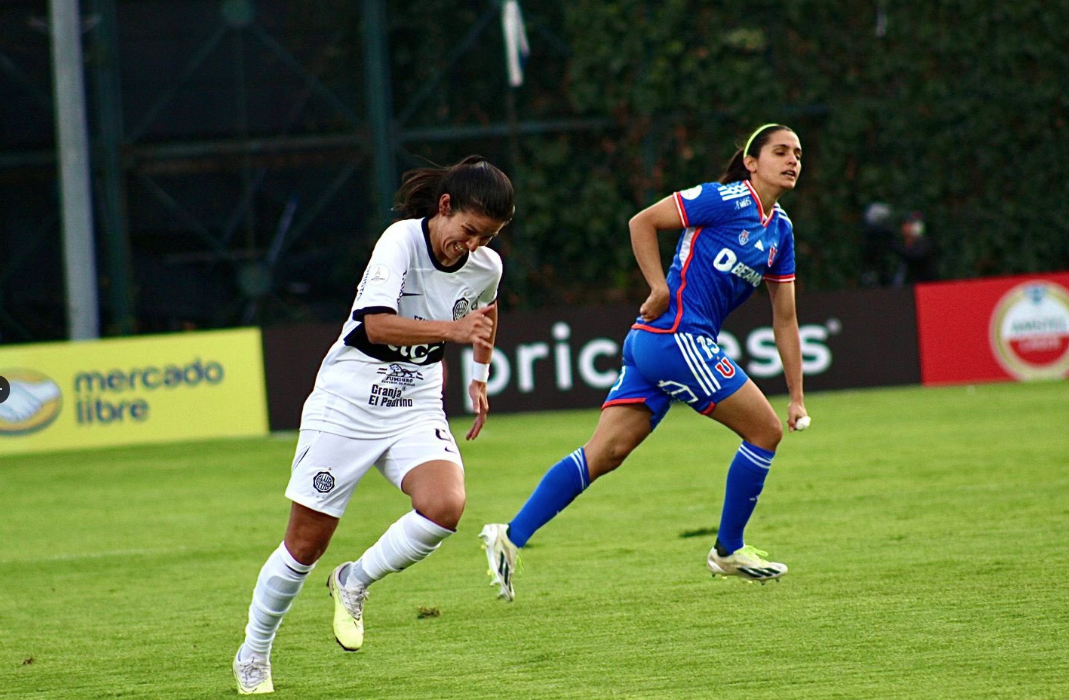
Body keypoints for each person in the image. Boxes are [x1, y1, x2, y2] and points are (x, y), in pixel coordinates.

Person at [479, 124, 808, 601]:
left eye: (798, 153)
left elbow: (786, 318)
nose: (792, 160)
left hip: (657, 345)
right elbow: (642, 222)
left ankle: (508, 536)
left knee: (605, 453)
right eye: (780, 151)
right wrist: (658, 287)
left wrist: (797, 395)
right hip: (676, 337)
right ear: (752, 162)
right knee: (765, 432)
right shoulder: (723, 199)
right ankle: (727, 550)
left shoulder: (780, 231)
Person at [233, 155, 513, 694]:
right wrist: (452, 332)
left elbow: (486, 311)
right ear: (445, 207)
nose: (474, 246)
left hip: (415, 402)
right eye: (470, 231)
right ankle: (255, 650)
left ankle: (354, 580)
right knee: (305, 544)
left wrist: (478, 376)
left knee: (444, 508)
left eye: (488, 237)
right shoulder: (401, 241)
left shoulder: (487, 266)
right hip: (350, 399)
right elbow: (375, 325)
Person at [891, 211, 937, 286]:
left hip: (921, 289)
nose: (906, 227)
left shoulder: (925, 243)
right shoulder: (904, 245)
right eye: (905, 224)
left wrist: (895, 246)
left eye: (910, 224)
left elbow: (915, 256)